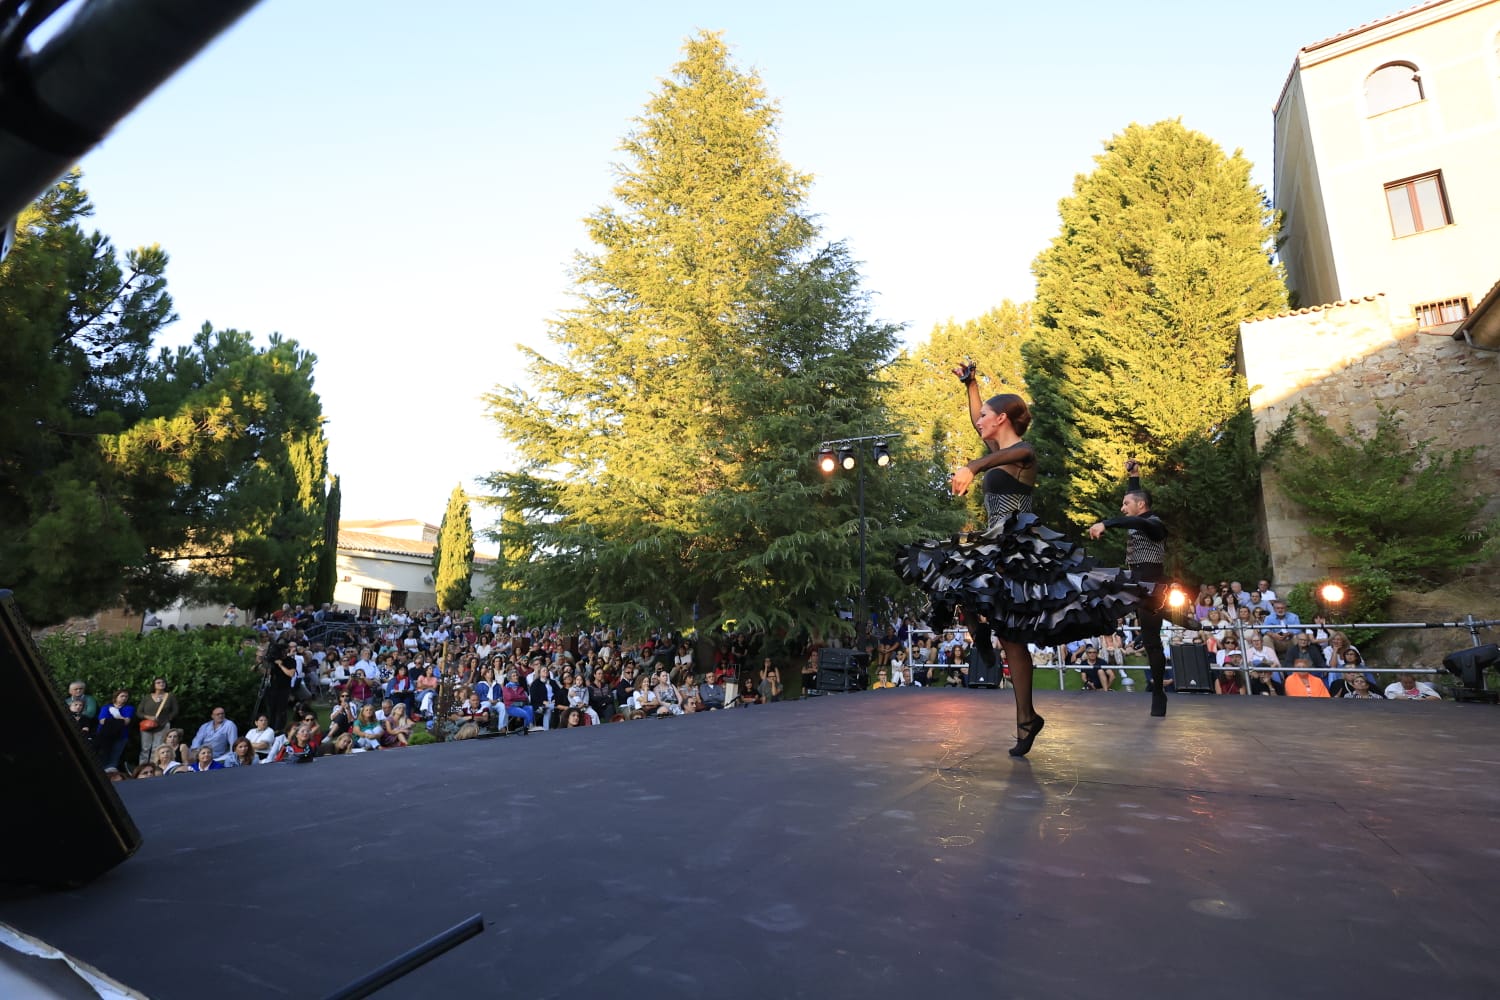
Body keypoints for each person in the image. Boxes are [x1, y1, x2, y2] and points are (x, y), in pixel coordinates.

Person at [898, 368, 1146, 756]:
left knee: (1010, 636)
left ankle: (1024, 716)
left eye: (984, 417)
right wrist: (971, 386)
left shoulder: (1023, 454)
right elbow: (977, 418)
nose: (977, 421)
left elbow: (1016, 452)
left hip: (1020, 545)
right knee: (955, 578)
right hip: (996, 541)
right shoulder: (999, 451)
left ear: (1001, 420)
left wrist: (972, 466)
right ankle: (998, 667)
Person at [1088, 458, 1170, 717]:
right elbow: (1135, 505)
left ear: (1141, 506)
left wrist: (1106, 523)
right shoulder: (1139, 512)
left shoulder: (1154, 525)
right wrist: (1134, 476)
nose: (1123, 508)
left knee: (1152, 641)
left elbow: (1140, 522)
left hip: (1151, 589)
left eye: (1126, 504)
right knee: (1097, 585)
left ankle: (1158, 691)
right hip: (1131, 582)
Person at [135, 677, 178, 765]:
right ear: (154, 685)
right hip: (147, 725)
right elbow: (139, 712)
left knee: (157, 748)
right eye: (158, 682)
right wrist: (148, 717)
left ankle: (153, 767)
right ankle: (142, 767)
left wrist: (168, 719)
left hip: (162, 725)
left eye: (163, 682)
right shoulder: (147, 697)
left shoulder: (169, 696)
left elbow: (175, 710)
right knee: (145, 748)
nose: (161, 684)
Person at [95, 690, 135, 770]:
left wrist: (115, 714)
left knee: (115, 757)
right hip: (104, 736)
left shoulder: (129, 708)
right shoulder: (106, 707)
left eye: (126, 696)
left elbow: (126, 722)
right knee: (103, 756)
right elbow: (102, 721)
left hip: (121, 736)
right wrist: (120, 720)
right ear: (116, 697)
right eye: (122, 696)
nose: (124, 698)